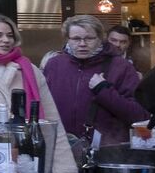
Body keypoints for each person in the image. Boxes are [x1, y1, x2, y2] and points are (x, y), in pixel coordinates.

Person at [0, 11, 78, 173]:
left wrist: (64, 169)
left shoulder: (30, 70)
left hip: (27, 164)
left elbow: (51, 123)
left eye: (9, 35)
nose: (6, 40)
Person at [45, 15, 146, 149]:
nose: (82, 44)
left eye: (89, 38)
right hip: (61, 149)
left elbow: (139, 115)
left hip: (107, 151)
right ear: (67, 39)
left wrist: (103, 90)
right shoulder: (54, 65)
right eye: (76, 39)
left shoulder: (122, 67)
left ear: (100, 39)